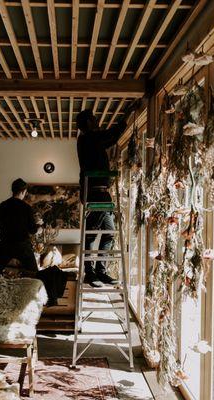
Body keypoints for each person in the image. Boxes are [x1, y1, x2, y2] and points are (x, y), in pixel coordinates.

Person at [76, 107, 133, 287]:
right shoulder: (86, 139)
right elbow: (112, 134)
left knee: (109, 233)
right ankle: (90, 273)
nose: (97, 121)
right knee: (92, 234)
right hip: (94, 193)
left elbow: (111, 138)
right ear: (88, 123)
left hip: (103, 194)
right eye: (94, 119)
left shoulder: (92, 140)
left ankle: (101, 272)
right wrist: (127, 114)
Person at [0, 178, 39, 278]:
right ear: (23, 191)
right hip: (22, 245)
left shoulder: (2, 205)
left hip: (5, 244)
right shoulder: (26, 208)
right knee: (35, 275)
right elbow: (33, 230)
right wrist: (39, 226)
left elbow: (0, 224)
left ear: (13, 190)